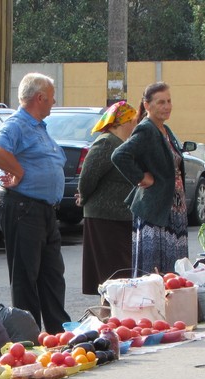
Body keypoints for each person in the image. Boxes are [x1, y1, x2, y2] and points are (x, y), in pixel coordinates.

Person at [0, 72, 71, 334]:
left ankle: (58, 333)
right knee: (26, 276)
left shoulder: (38, 127)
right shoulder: (17, 124)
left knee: (53, 274)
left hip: (44, 209)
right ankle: (29, 338)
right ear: (40, 98)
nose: (54, 102)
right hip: (23, 207)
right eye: (52, 97)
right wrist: (19, 172)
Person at [111, 82, 189, 275]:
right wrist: (140, 177)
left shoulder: (165, 129)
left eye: (169, 101)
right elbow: (119, 155)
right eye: (161, 102)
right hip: (155, 212)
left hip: (172, 210)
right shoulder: (147, 129)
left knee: (174, 269)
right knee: (153, 271)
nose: (167, 106)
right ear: (147, 105)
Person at [77, 100, 137, 295]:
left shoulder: (122, 143)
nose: (135, 125)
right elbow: (88, 176)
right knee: (111, 272)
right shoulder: (106, 142)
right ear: (123, 122)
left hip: (121, 216)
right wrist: (83, 197)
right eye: (133, 120)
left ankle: (115, 307)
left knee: (121, 271)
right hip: (104, 217)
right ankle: (109, 309)